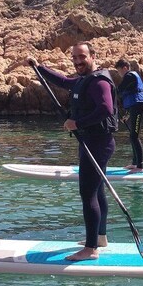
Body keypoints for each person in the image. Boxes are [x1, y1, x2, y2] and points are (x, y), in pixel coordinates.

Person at [27, 42, 118, 261]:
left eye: (82, 57)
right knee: (97, 191)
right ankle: (100, 237)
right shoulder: (84, 80)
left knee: (87, 194)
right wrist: (39, 68)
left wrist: (77, 123)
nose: (78, 61)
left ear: (93, 56)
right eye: (75, 57)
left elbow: (106, 109)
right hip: (95, 142)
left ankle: (90, 249)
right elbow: (65, 82)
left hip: (97, 144)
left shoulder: (99, 83)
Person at [115, 59, 143, 172]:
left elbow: (119, 89)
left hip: (138, 109)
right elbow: (131, 100)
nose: (119, 74)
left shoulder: (130, 76)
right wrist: (127, 115)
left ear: (125, 68)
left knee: (134, 136)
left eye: (119, 71)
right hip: (135, 108)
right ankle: (135, 163)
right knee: (132, 136)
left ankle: (140, 166)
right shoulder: (130, 78)